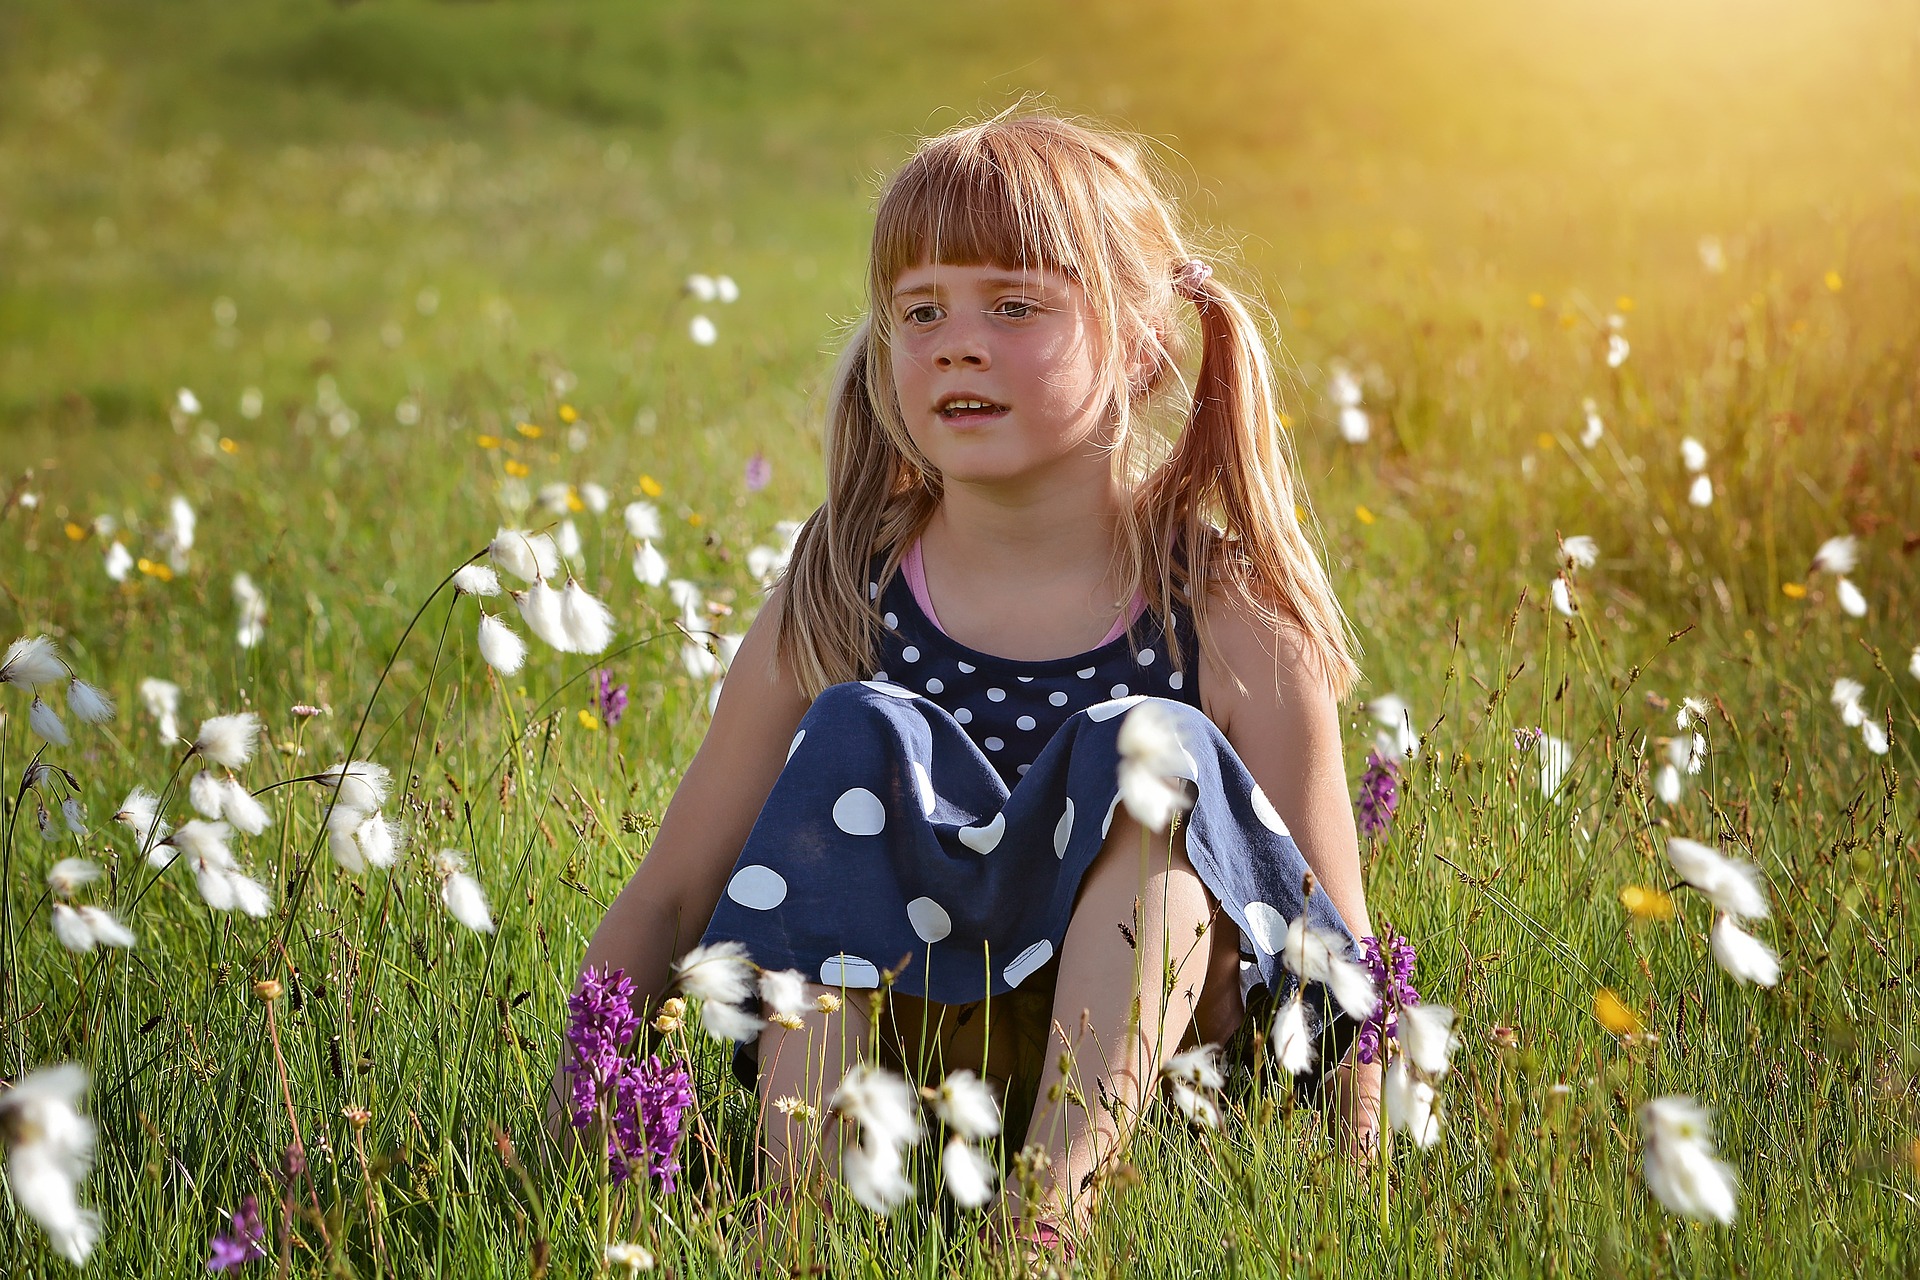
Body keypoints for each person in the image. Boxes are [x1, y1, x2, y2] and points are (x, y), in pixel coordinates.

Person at [559, 108, 1380, 1263]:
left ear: (1144, 340)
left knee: (1155, 750)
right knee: (857, 728)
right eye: (921, 310)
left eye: (1016, 304)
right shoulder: (850, 583)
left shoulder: (1232, 613)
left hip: (1145, 1071)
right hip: (901, 1059)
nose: (956, 342)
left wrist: (1359, 1206)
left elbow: (1332, 955)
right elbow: (673, 890)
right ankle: (799, 1222)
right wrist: (565, 1123)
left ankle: (1049, 1220)